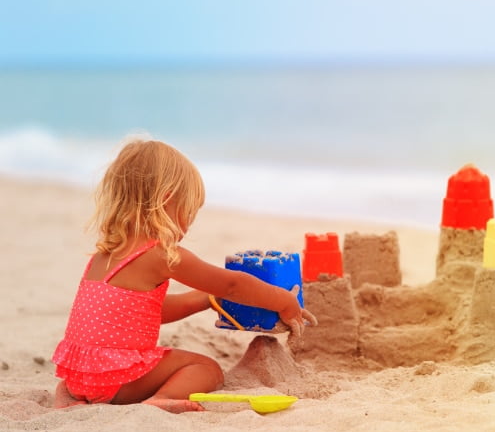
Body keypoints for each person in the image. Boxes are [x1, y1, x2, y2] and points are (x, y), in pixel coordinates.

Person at [51, 138, 317, 414]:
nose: (188, 224)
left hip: (79, 377)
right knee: (206, 368)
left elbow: (145, 313)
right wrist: (284, 302)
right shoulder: (162, 254)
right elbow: (233, 284)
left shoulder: (105, 255)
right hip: (116, 380)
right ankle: (160, 400)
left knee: (124, 364)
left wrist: (203, 299)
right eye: (188, 212)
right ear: (167, 200)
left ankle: (72, 394)